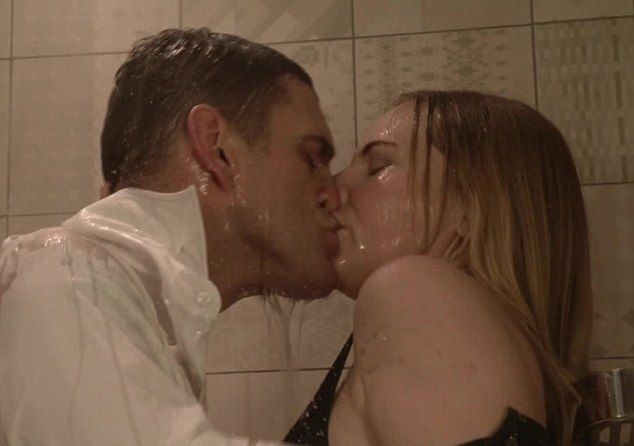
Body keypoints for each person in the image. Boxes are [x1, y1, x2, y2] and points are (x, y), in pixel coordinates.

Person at [0, 28, 341, 445]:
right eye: (311, 157)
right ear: (216, 148)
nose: (334, 193)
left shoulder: (106, 295)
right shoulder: (65, 275)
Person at [321, 90, 592, 445]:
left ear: (474, 207)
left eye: (377, 168)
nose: (333, 189)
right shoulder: (462, 328)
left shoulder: (413, 290)